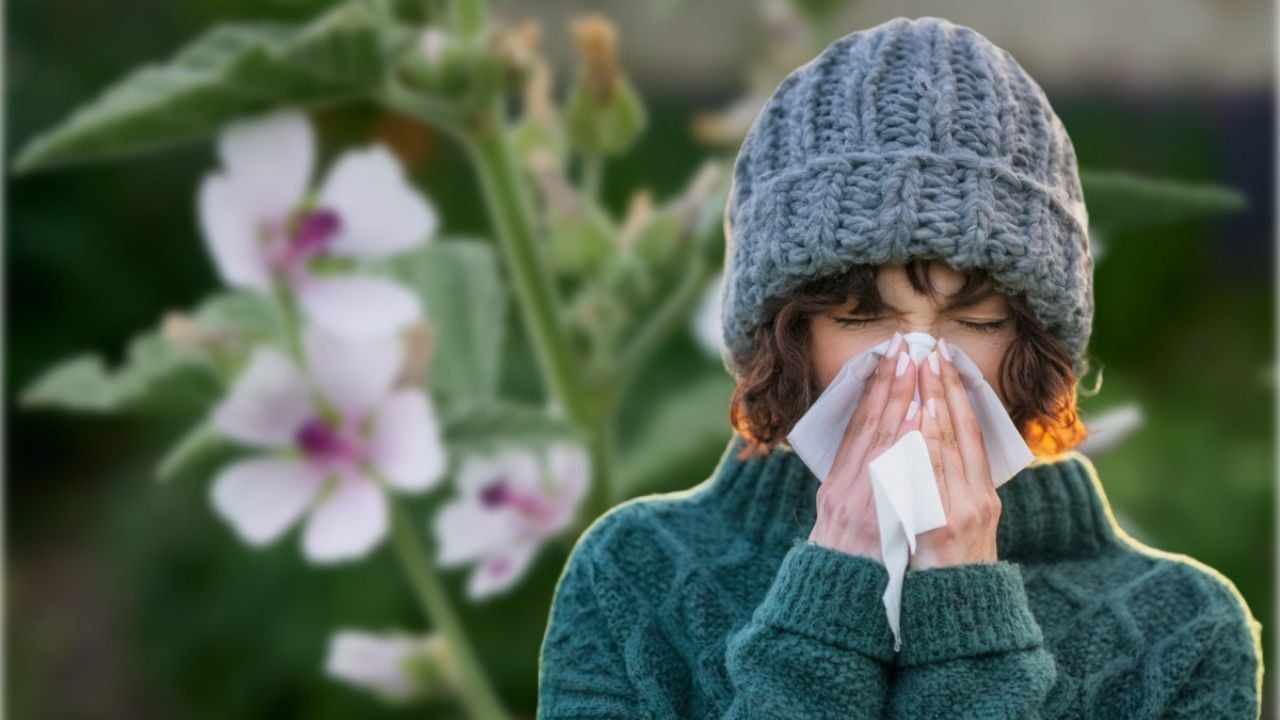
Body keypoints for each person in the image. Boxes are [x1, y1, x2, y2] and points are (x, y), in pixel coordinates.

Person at [535, 15, 1263, 719]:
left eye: (974, 322)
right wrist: (830, 601)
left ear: (1036, 345)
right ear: (783, 334)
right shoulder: (633, 576)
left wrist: (965, 613)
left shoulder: (1184, 630)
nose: (917, 366)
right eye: (861, 318)